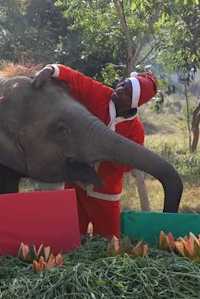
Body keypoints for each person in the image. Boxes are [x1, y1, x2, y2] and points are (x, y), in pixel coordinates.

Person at [31, 64, 158, 238]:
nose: (120, 89)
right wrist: (51, 70)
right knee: (71, 236)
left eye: (127, 92)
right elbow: (78, 79)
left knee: (108, 241)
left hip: (105, 193)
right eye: (123, 84)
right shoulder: (101, 95)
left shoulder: (135, 131)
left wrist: (105, 151)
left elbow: (128, 166)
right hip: (75, 182)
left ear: (133, 103)